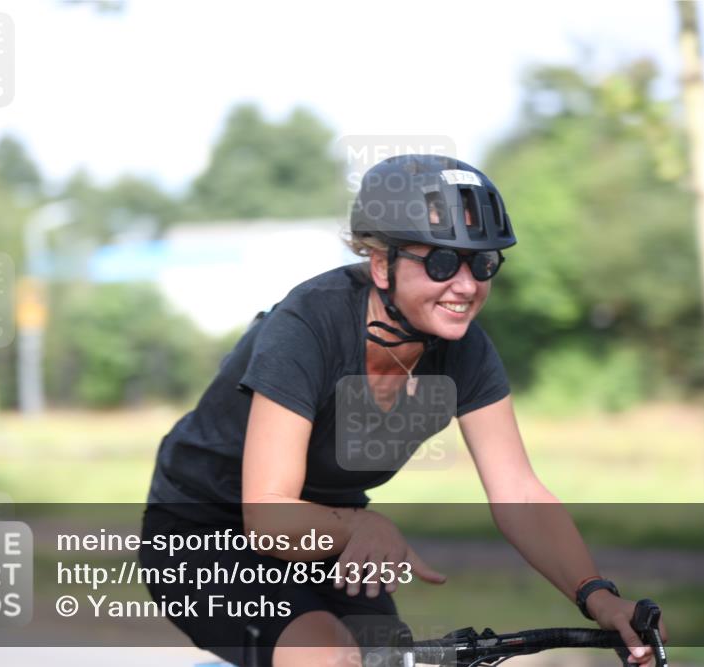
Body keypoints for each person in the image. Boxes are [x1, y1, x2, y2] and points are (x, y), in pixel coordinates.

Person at [140, 154, 668, 666]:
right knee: (332, 657)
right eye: (441, 261)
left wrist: (599, 596)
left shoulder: (464, 351)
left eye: (483, 263)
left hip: (328, 539)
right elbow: (268, 515)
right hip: (206, 535)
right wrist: (359, 528)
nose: (466, 285)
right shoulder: (307, 328)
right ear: (380, 265)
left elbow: (518, 491)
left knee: (391, 660)